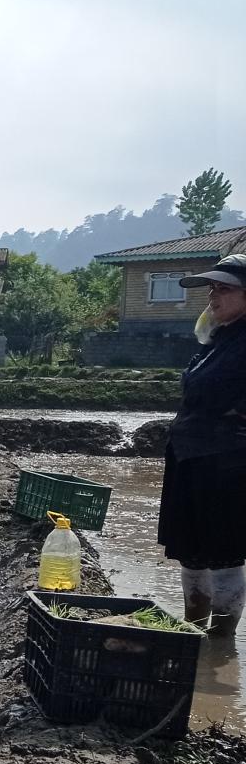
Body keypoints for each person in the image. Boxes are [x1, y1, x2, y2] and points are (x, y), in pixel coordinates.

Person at [158, 253, 246, 635]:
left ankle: (221, 640)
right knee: (190, 549)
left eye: (224, 289)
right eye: (212, 288)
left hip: (227, 464)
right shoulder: (218, 339)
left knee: (224, 551)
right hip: (190, 456)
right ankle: (192, 629)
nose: (213, 296)